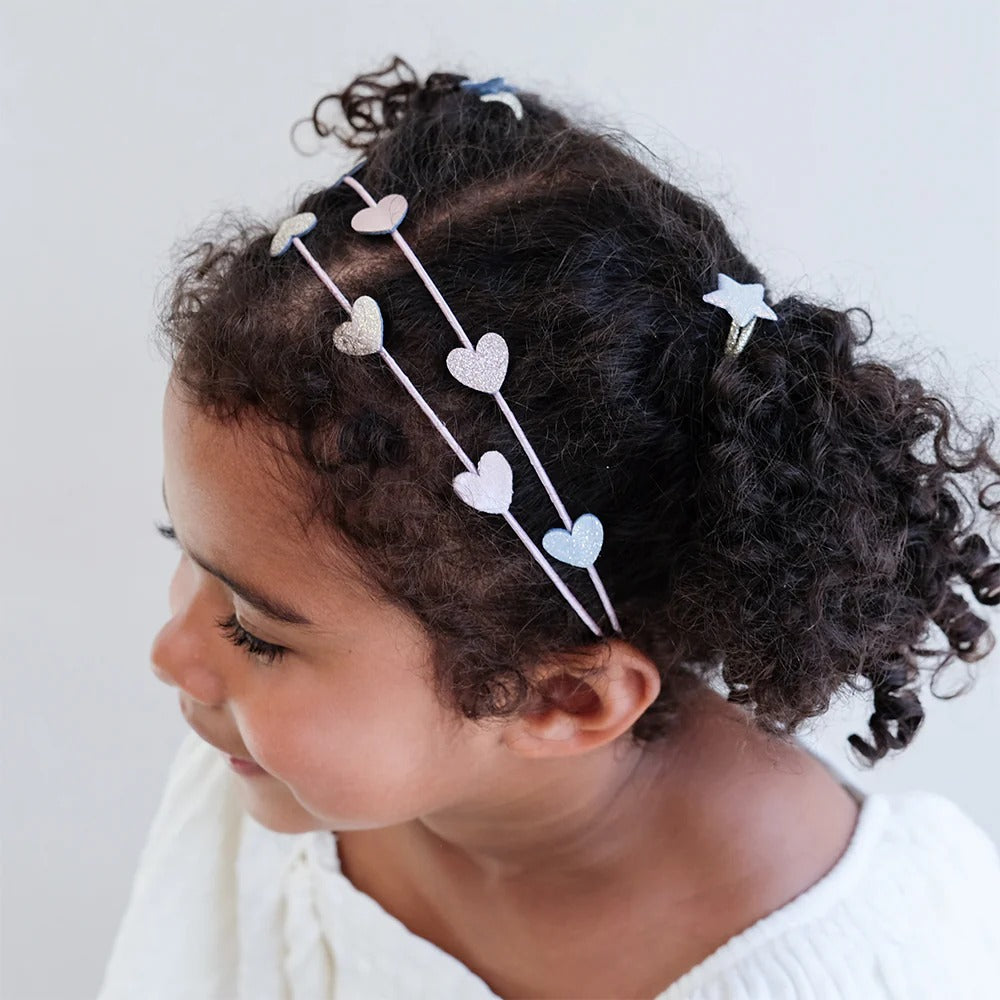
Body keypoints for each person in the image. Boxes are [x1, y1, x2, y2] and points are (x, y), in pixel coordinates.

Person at [97, 56, 1000, 999]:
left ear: (561, 699)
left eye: (254, 632)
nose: (171, 652)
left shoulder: (877, 967)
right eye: (182, 551)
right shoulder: (271, 780)